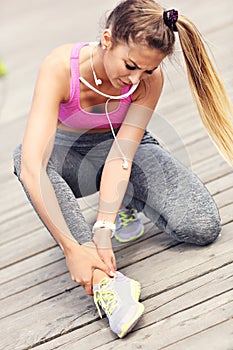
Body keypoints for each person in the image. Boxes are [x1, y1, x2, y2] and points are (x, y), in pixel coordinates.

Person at [13, 0, 233, 338]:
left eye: (146, 70)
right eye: (130, 65)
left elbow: (122, 153)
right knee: (24, 156)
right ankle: (107, 284)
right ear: (107, 39)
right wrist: (75, 250)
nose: (134, 79)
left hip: (126, 152)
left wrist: (104, 227)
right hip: (70, 155)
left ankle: (127, 201)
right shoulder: (61, 67)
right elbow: (32, 168)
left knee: (201, 224)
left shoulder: (148, 80)